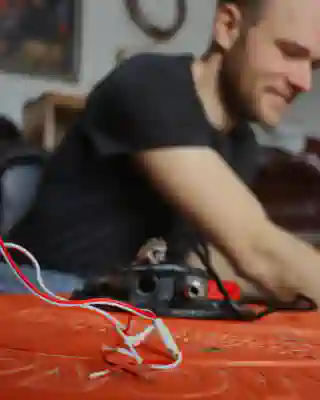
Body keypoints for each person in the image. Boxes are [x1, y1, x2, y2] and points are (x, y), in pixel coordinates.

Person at [7, 0, 320, 304]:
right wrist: (280, 267)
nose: (305, 82)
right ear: (228, 27)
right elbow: (256, 249)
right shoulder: (150, 85)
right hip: (34, 287)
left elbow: (209, 259)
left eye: (314, 65)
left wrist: (294, 274)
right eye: (290, 52)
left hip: (118, 299)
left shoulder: (242, 145)